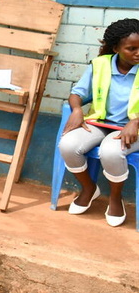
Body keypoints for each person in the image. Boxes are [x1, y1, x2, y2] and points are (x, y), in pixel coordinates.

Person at [59, 18, 139, 227]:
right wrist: (77, 109)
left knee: (111, 151)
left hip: (132, 129)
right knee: (68, 145)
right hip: (100, 123)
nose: (138, 53)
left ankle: (115, 198)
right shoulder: (100, 65)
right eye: (131, 48)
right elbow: (77, 93)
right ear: (116, 48)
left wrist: (136, 122)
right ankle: (89, 188)